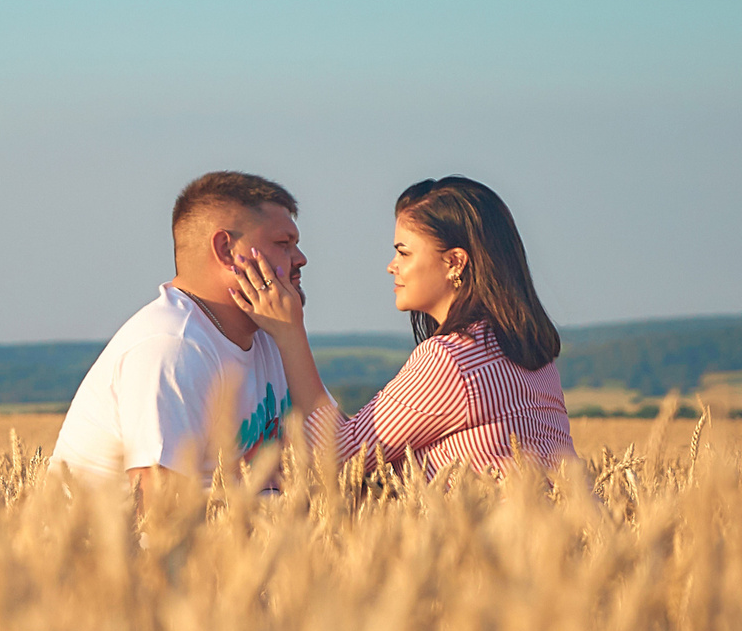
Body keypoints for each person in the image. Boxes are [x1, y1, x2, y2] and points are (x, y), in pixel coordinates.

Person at [231, 175, 572, 476]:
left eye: (404, 253)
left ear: (454, 262)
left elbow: (338, 456)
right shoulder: (533, 357)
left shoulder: (451, 359)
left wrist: (290, 333)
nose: (392, 267)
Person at [50, 171, 306, 501]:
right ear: (226, 250)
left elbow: (341, 451)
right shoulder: (173, 347)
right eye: (283, 244)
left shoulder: (272, 335)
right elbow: (157, 514)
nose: (300, 259)